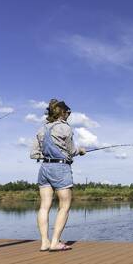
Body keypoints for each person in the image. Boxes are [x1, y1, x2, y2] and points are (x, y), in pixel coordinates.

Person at [30, 99, 86, 252]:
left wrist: (47, 154)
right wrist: (80, 151)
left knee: (44, 206)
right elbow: (71, 150)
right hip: (60, 168)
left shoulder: (41, 130)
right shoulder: (65, 128)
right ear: (62, 112)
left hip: (44, 168)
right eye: (68, 112)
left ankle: (44, 242)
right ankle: (55, 242)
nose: (69, 115)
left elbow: (33, 154)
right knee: (64, 206)